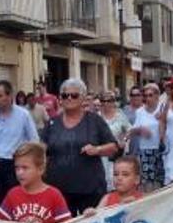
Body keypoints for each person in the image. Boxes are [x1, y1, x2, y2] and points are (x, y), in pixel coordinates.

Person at [41, 78, 119, 215]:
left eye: (74, 95)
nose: (69, 98)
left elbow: (113, 147)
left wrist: (97, 150)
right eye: (65, 95)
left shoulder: (95, 120)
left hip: (90, 188)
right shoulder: (52, 122)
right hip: (58, 189)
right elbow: (41, 150)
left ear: (83, 98)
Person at [0, 80, 40, 204]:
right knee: (0, 202)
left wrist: (29, 162)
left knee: (17, 201)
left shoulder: (23, 115)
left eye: (0, 96)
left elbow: (34, 140)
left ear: (10, 96)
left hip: (15, 165)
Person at [130, 83, 166, 192]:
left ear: (157, 96)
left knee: (161, 181)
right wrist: (140, 130)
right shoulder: (140, 111)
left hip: (161, 149)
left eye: (150, 95)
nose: (147, 98)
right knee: (147, 183)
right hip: (145, 150)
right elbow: (132, 131)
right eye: (145, 96)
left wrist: (163, 119)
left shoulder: (163, 109)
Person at [99, 91, 133, 191]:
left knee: (117, 180)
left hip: (116, 154)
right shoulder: (97, 117)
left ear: (114, 102)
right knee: (103, 181)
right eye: (103, 101)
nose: (106, 103)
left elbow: (130, 130)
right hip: (101, 154)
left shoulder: (120, 115)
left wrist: (124, 140)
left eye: (109, 100)